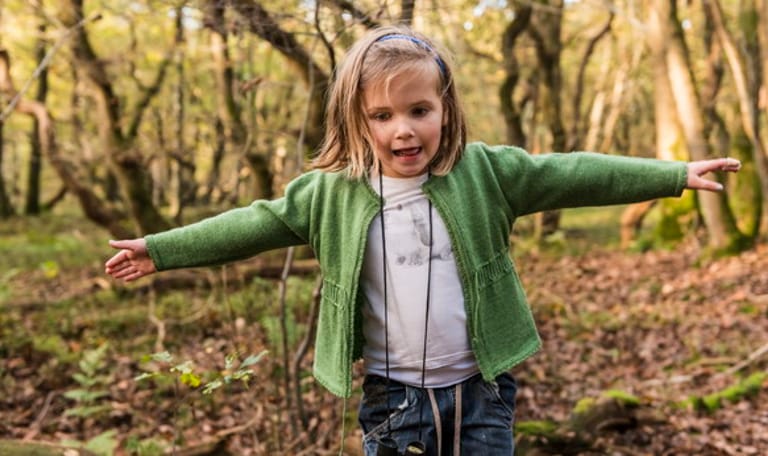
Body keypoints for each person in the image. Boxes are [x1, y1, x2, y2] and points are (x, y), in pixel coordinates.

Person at [105, 25, 742, 455]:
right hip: (393, 397)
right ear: (355, 121)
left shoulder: (485, 172)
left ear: (445, 109)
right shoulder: (332, 191)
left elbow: (571, 172)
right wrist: (159, 249)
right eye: (381, 117)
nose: (403, 130)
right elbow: (250, 223)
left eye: (418, 110)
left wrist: (673, 175)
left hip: (482, 390)